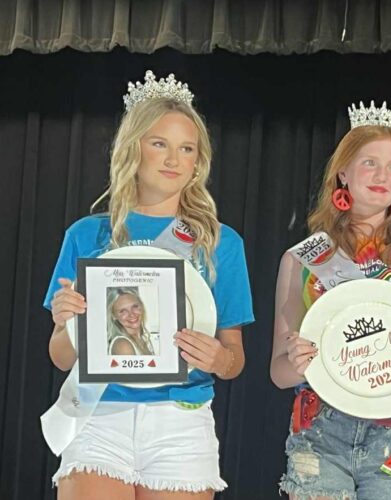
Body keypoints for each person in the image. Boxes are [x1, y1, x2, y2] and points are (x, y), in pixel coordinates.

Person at [44, 70, 254, 499]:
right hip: (99, 415)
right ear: (132, 147)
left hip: (182, 420)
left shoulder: (221, 243)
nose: (173, 159)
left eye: (186, 148)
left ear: (197, 162)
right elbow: (61, 357)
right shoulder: (86, 235)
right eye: (159, 143)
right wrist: (65, 321)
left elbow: (235, 358)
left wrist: (218, 359)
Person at [271, 101, 391, 500]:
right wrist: (298, 360)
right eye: (369, 163)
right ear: (343, 171)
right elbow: (279, 372)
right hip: (320, 430)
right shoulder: (302, 259)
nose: (382, 176)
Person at [107, 287, 155, 356]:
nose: (132, 314)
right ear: (114, 316)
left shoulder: (143, 338)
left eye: (135, 306)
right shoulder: (123, 346)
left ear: (141, 306)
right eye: (123, 311)